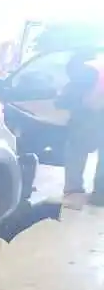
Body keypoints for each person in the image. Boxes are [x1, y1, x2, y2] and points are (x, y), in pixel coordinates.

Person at [57, 49, 104, 208]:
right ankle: (100, 194)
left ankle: (73, 189)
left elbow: (85, 102)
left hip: (87, 120)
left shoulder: (86, 72)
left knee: (76, 150)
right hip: (93, 119)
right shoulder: (93, 71)